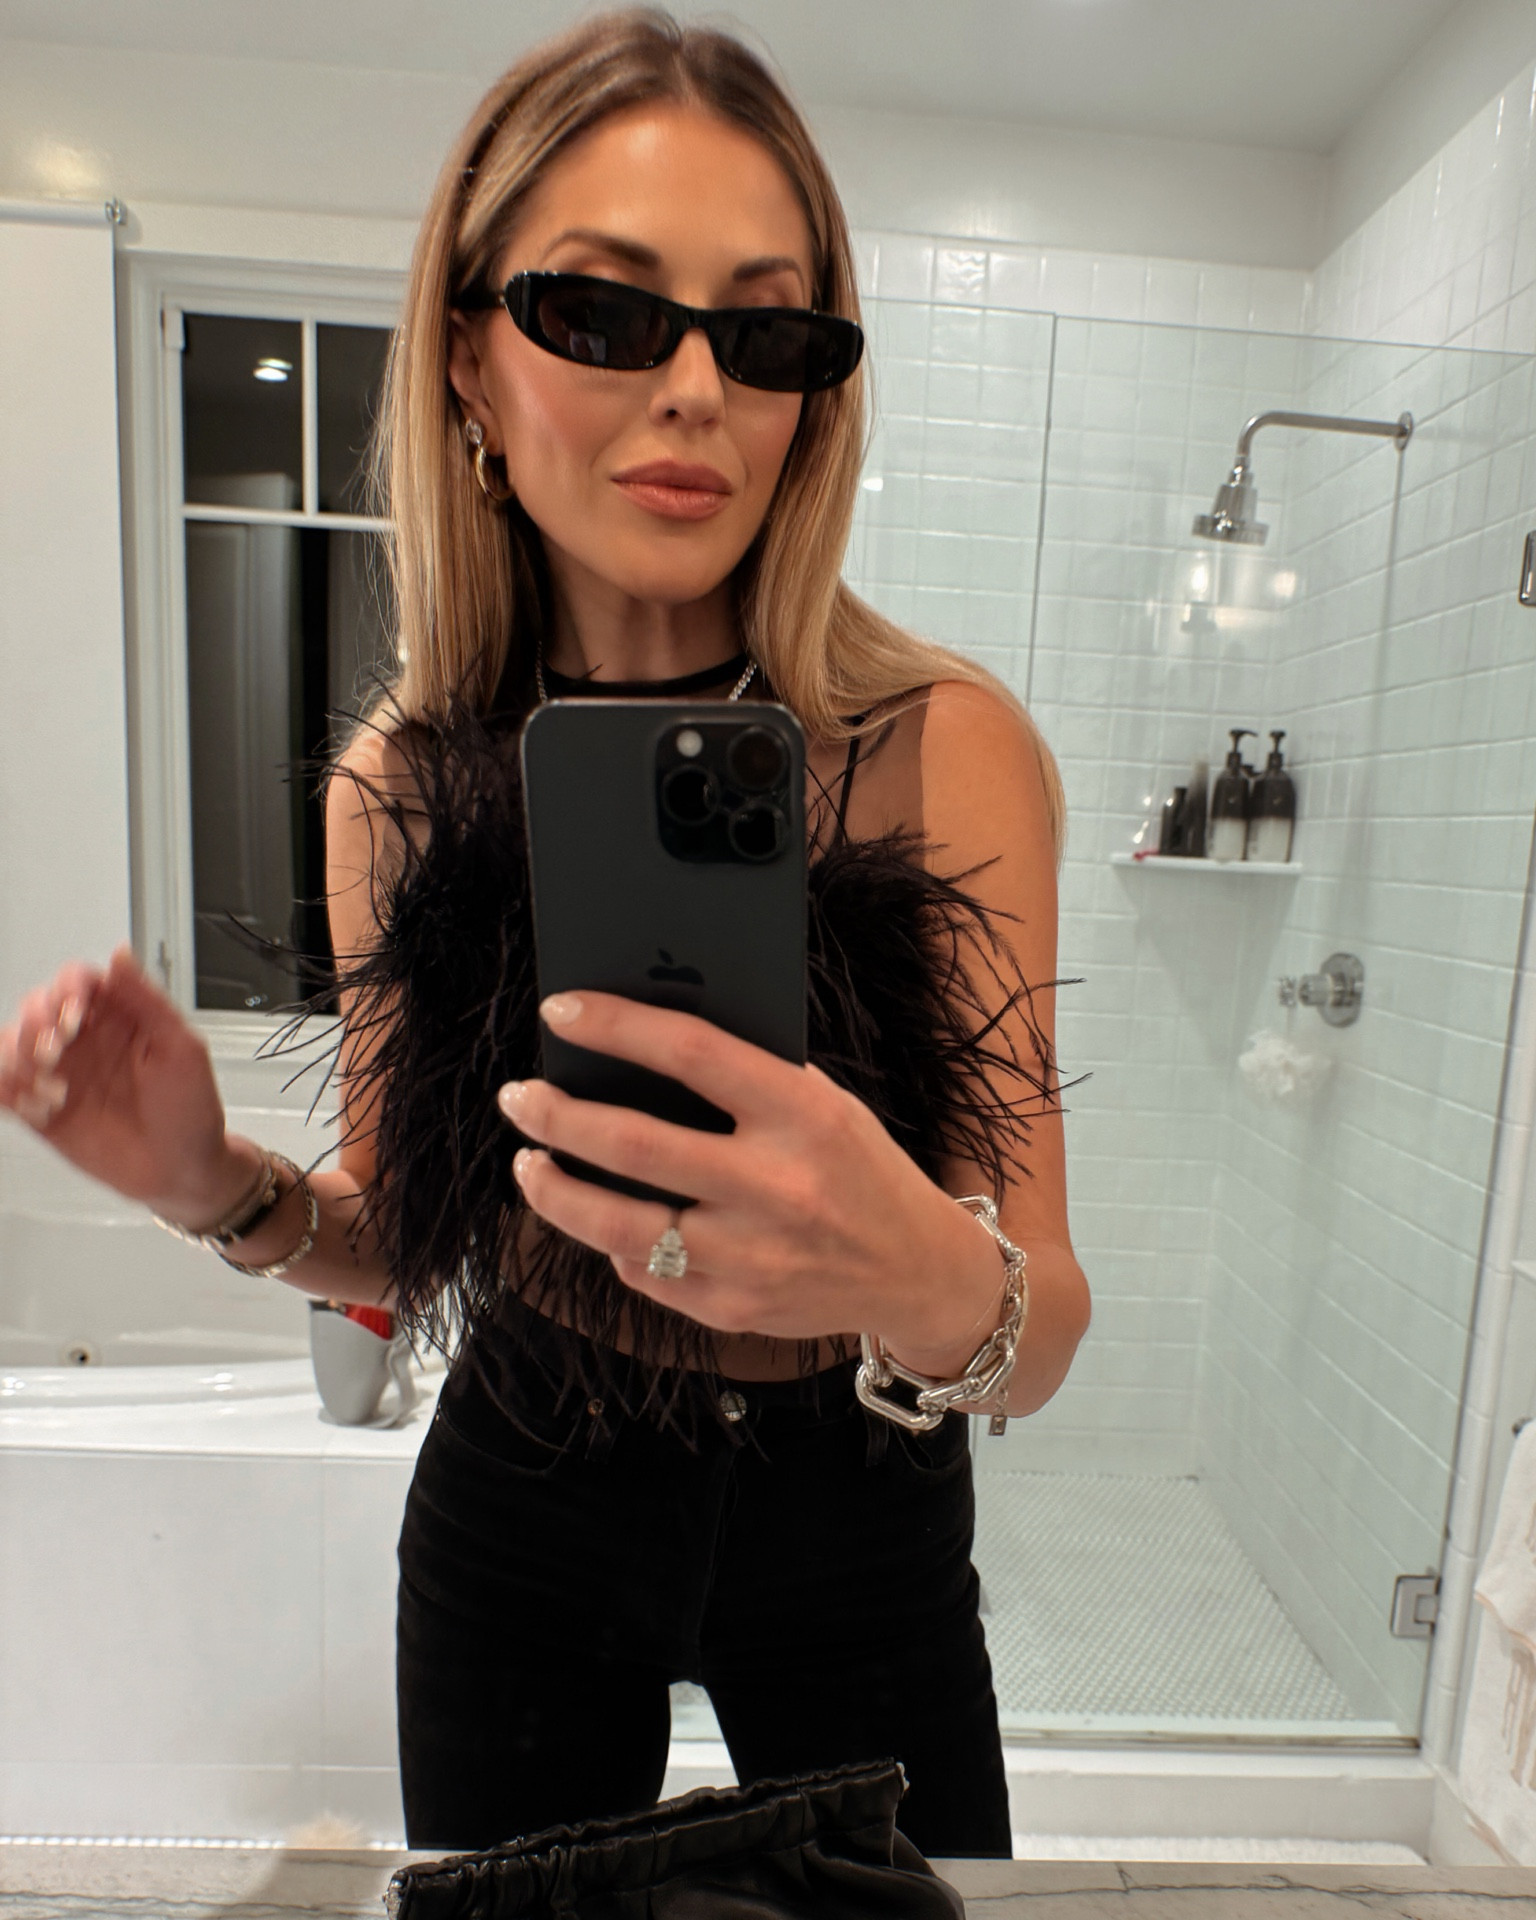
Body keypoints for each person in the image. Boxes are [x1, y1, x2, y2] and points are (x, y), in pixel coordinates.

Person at [0, 9, 1089, 1862]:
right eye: (602, 312)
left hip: (861, 1513)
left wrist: (909, 1263)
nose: (697, 389)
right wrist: (209, 1182)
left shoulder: (936, 746)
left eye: (764, 332)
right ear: (470, 363)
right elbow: (404, 1232)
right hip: (528, 1488)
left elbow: (1038, 1323)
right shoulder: (397, 787)